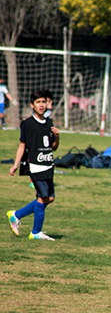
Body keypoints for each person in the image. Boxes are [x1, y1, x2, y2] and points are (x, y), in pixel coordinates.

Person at [6, 90, 60, 241]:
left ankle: (16, 215)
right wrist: (15, 165)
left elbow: (53, 147)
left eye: (44, 102)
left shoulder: (49, 122)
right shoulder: (27, 124)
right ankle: (36, 232)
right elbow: (22, 145)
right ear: (32, 105)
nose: (42, 105)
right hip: (36, 166)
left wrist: (57, 136)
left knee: (50, 197)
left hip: (48, 164)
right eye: (38, 102)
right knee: (43, 198)